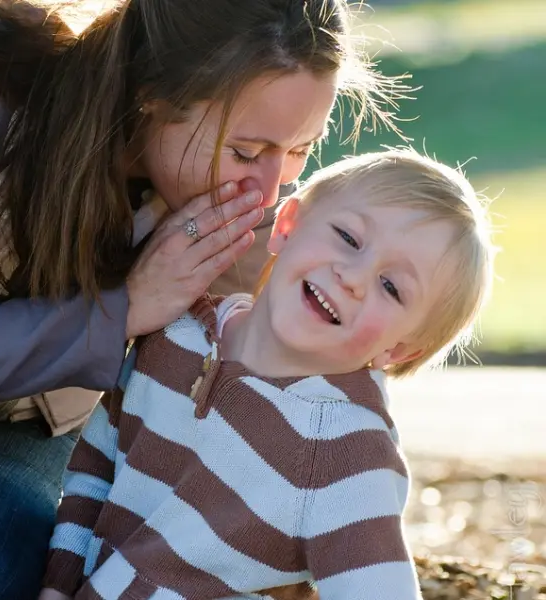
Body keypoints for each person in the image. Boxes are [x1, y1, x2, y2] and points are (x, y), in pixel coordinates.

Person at [0, 0, 401, 598]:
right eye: (246, 151)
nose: (267, 190)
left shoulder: (243, 215)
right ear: (152, 99)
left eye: (296, 154)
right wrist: (124, 310)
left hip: (22, 412)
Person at [39, 149, 495, 600]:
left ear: (397, 349)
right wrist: (59, 585)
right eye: (349, 238)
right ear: (287, 225)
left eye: (391, 287)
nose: (353, 277)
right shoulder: (176, 335)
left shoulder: (345, 450)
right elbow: (94, 469)